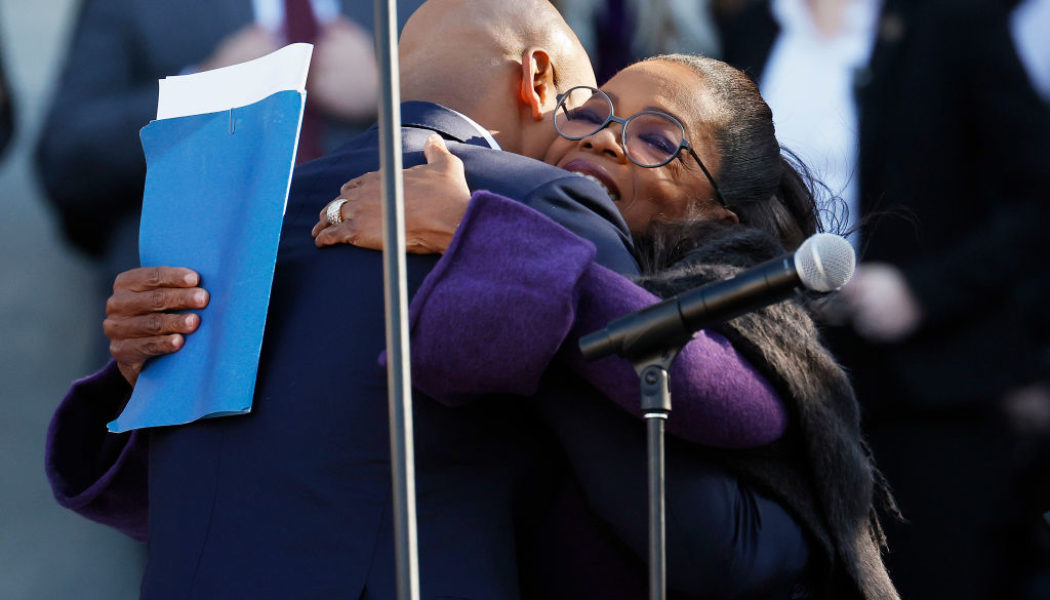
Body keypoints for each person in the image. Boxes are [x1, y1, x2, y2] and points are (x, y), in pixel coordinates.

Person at [45, 1, 794, 598]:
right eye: (584, 107)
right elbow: (696, 531)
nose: (591, 144)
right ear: (538, 79)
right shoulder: (539, 205)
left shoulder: (237, 214)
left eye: (655, 138)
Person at [315, 54, 899, 600]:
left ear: (711, 214)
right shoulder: (502, 226)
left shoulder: (743, 292)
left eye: (654, 139)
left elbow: (730, 398)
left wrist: (477, 231)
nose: (602, 136)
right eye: (592, 113)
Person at [721, 1, 1050, 597]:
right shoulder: (751, 28)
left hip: (929, 385)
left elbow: (1037, 199)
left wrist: (925, 290)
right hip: (783, 378)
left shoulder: (950, 23)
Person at [33, 0, 425, 366]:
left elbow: (481, 159)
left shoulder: (432, 11)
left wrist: (392, 94)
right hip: (179, 334)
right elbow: (66, 161)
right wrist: (202, 90)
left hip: (384, 330)